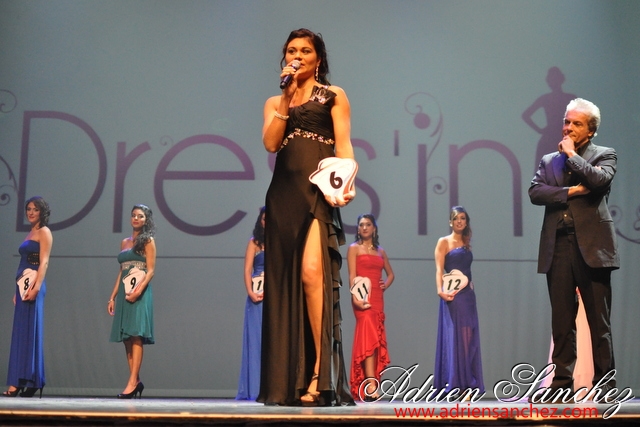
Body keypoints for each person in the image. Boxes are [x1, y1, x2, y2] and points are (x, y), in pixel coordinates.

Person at [258, 28, 355, 406]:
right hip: (282, 194)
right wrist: (285, 98)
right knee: (284, 283)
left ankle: (319, 373)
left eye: (305, 50)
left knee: (313, 274)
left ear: (318, 59)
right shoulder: (275, 100)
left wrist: (346, 181)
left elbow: (344, 145)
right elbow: (270, 143)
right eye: (291, 50)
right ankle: (286, 379)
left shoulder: (333, 95)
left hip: (316, 191)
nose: (297, 56)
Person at [529, 98, 618, 395]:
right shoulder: (548, 161)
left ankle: (605, 386)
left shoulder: (605, 154)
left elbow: (599, 181)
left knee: (598, 323)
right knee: (562, 322)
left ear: (590, 130)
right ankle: (561, 386)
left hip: (592, 248)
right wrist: (570, 191)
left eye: (576, 124)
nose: (568, 128)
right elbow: (536, 192)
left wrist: (571, 155)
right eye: (566, 122)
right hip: (558, 246)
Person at [3, 196, 52, 398]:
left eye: (35, 209)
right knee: (21, 334)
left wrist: (36, 287)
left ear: (42, 212)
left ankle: (25, 381)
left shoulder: (44, 232)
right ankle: (27, 381)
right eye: (28, 209)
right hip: (22, 288)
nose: (31, 212)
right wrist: (18, 291)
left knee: (31, 332)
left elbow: (44, 262)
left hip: (34, 286)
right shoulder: (30, 232)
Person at [433, 206, 484, 393]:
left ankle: (466, 382)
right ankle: (458, 384)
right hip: (453, 296)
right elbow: (439, 270)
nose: (459, 221)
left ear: (466, 221)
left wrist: (471, 286)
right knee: (458, 338)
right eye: (456, 218)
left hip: (468, 296)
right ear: (450, 222)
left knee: (469, 338)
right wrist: (440, 291)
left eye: (462, 218)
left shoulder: (466, 241)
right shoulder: (444, 242)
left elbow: (467, 271)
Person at [107, 204, 156, 399]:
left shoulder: (148, 241)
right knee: (127, 337)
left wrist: (137, 292)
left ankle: (132, 381)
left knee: (136, 336)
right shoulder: (125, 242)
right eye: (134, 215)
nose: (136, 218)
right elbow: (122, 271)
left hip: (139, 294)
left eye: (140, 216)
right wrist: (113, 296)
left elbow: (150, 271)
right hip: (124, 293)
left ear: (146, 220)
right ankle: (135, 380)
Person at [347, 214, 394, 401]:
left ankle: (371, 384)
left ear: (374, 228)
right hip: (362, 297)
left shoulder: (380, 251)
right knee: (368, 339)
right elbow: (352, 276)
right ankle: (371, 385)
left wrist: (385, 284)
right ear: (358, 229)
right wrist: (355, 297)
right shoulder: (354, 248)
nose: (364, 227)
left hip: (377, 298)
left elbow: (390, 274)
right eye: (361, 225)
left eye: (368, 224)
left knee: (374, 341)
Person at [236, 207, 266, 400]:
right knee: (256, 342)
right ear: (259, 221)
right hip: (257, 297)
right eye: (264, 219)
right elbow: (247, 270)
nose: (267, 222)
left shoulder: (282, 241)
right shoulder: (254, 243)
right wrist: (250, 292)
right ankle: (255, 388)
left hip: (277, 298)